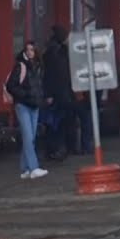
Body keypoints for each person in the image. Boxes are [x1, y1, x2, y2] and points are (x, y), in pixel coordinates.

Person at [5, 40, 49, 180]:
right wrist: (25, 96)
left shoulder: (38, 67)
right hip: (23, 105)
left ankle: (25, 169)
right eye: (28, 49)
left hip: (33, 105)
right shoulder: (20, 66)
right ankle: (34, 168)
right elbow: (11, 86)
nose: (30, 52)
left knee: (30, 137)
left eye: (32, 50)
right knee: (29, 136)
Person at [42, 25, 74, 161]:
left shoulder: (51, 52)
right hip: (60, 92)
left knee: (54, 123)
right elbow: (56, 75)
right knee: (60, 122)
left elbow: (48, 75)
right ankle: (58, 149)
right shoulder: (59, 53)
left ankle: (53, 149)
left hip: (56, 93)